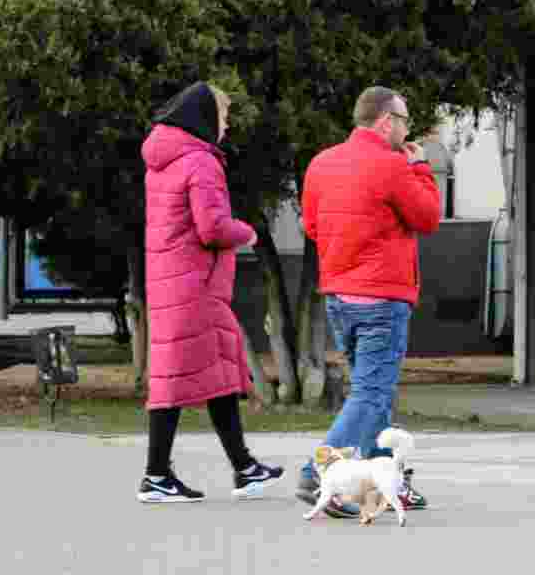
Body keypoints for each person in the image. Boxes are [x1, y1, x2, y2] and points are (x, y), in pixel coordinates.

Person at [297, 86, 441, 517]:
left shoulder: (321, 163)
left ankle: (381, 486)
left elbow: (311, 225)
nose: (406, 128)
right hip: (382, 298)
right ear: (385, 121)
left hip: (340, 296)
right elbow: (428, 217)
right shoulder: (394, 165)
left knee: (374, 396)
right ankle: (316, 471)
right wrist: (420, 166)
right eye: (404, 120)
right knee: (371, 394)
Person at [137, 81, 283, 502]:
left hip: (169, 279)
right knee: (179, 376)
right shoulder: (200, 161)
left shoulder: (162, 160)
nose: (227, 125)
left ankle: (244, 468)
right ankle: (157, 475)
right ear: (203, 118)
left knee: (206, 371)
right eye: (223, 116)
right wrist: (249, 233)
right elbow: (213, 227)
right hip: (195, 283)